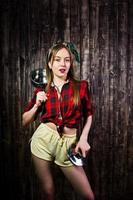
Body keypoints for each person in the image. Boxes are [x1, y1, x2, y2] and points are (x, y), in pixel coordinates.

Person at [22, 41, 95, 200]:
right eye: (57, 59)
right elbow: (24, 120)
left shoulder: (81, 86)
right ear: (50, 63)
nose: (63, 64)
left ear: (71, 63)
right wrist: (36, 105)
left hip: (68, 145)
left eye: (67, 60)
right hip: (43, 140)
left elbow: (89, 114)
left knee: (89, 196)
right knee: (48, 192)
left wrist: (83, 138)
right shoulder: (43, 88)